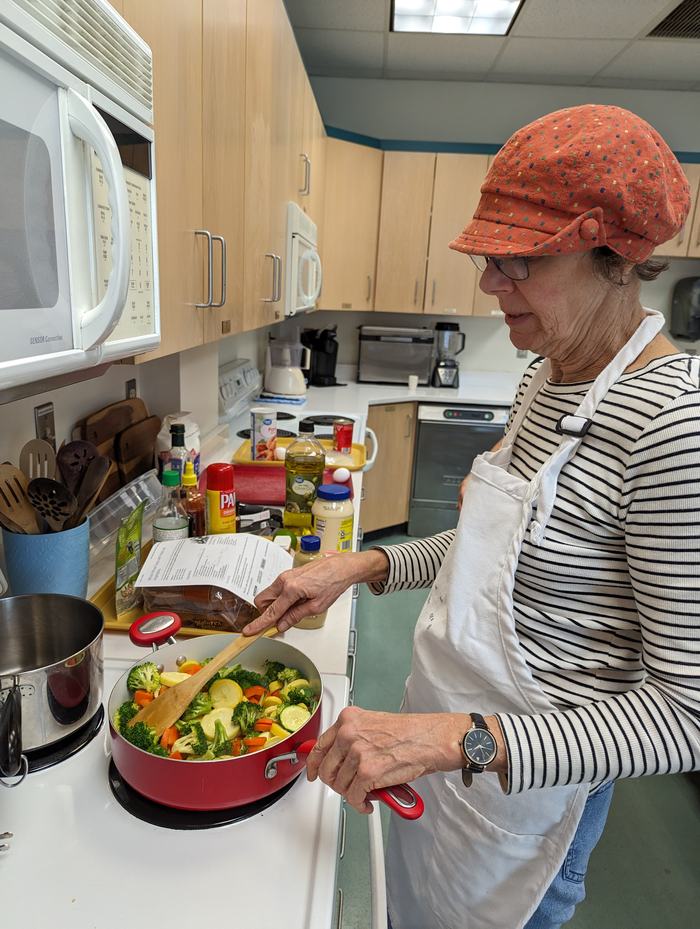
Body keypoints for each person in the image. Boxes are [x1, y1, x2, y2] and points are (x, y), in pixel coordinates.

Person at [243, 104, 700, 929]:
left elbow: (686, 715)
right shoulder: (547, 373)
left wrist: (456, 741)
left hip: (526, 800)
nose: (491, 282)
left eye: (522, 259)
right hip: (446, 745)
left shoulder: (672, 424)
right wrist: (367, 566)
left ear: (619, 258)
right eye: (492, 255)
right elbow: (506, 547)